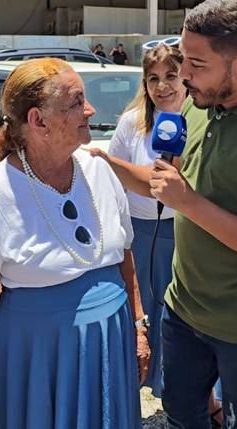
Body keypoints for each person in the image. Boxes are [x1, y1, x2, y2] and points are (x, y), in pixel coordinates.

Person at [94, 0, 237, 428]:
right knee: (181, 415)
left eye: (196, 64)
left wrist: (189, 203)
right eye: (184, 60)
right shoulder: (200, 105)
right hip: (183, 310)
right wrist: (104, 164)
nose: (182, 76)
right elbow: (168, 185)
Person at [0, 58, 150, 429]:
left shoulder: (99, 169)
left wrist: (138, 326)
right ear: (38, 121)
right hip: (38, 359)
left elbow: (124, 254)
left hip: (110, 345)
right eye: (76, 102)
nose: (90, 110)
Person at [102, 43, 186, 401]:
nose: (162, 86)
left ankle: (180, 396)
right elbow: (112, 176)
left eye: (170, 76)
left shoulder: (199, 121)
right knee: (142, 315)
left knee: (178, 319)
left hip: (183, 234)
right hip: (138, 235)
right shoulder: (130, 124)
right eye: (153, 78)